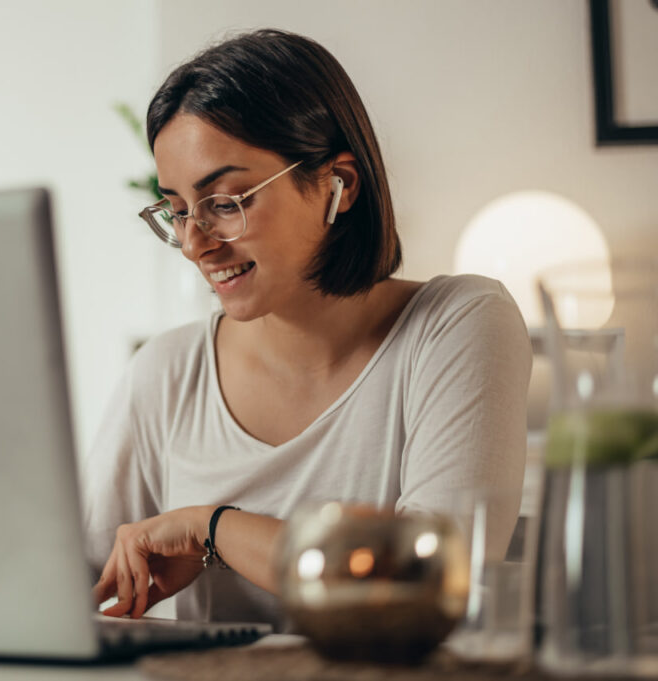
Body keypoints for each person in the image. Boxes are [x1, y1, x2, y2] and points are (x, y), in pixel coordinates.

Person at [80, 28, 531, 629]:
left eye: (226, 201)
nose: (194, 243)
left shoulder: (459, 326)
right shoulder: (166, 371)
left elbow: (431, 582)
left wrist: (210, 527)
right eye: (179, 209)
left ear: (338, 184)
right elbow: (74, 590)